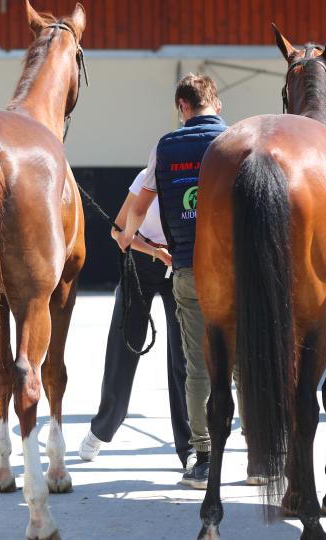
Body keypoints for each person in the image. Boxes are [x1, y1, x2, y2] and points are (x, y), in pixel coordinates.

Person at [116, 74, 227, 489]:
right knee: (244, 362)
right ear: (215, 103)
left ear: (182, 106)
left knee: (197, 366)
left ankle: (203, 459)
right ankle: (260, 462)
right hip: (236, 272)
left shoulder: (166, 147)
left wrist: (128, 237)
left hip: (189, 268)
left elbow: (138, 209)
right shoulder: (239, 140)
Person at [79, 168, 194, 469]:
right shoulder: (147, 177)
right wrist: (155, 252)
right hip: (143, 263)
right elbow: (118, 230)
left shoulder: (192, 181)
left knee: (183, 356)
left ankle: (189, 446)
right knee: (124, 346)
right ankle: (102, 428)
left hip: (180, 267)